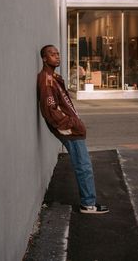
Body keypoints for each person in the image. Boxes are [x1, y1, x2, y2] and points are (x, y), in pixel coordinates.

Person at [37, 44, 109, 214]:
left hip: (71, 127)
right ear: (44, 58)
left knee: (83, 164)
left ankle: (88, 202)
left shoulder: (53, 77)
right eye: (52, 54)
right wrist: (72, 124)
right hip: (69, 129)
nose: (57, 56)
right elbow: (50, 111)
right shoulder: (47, 80)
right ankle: (88, 204)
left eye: (57, 54)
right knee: (83, 166)